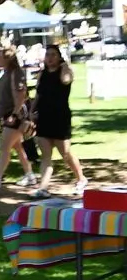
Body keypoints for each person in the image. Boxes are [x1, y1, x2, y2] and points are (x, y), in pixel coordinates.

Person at [29, 43, 88, 198]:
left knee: (66, 153)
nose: (49, 58)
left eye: (53, 55)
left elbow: (66, 80)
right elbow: (38, 94)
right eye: (47, 55)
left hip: (60, 117)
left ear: (59, 56)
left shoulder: (65, 70)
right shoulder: (42, 74)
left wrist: (64, 66)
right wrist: (31, 111)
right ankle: (43, 188)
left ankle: (81, 179)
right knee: (46, 156)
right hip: (44, 117)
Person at [0, 47, 36, 189]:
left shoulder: (16, 74)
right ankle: (30, 176)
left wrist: (14, 115)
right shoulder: (6, 73)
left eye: (0, 57)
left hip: (15, 116)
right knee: (17, 147)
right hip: (8, 115)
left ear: (7, 59)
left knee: (5, 147)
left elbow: (21, 96)